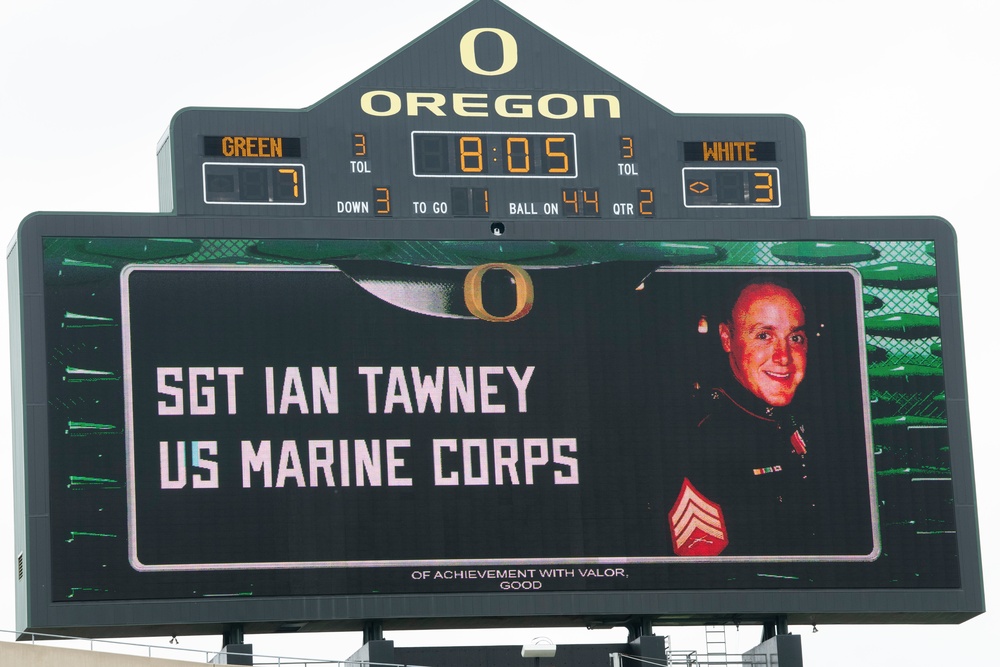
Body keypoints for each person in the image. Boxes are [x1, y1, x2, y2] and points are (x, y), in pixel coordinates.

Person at [668, 278, 873, 558]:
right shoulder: (700, 437)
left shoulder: (818, 418)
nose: (784, 357)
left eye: (795, 338)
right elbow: (704, 572)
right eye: (764, 335)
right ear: (727, 338)